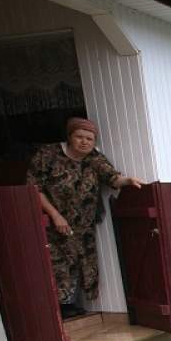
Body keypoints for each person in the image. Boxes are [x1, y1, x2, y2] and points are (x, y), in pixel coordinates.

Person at [28, 117, 144, 318]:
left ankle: (71, 304)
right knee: (59, 263)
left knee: (84, 262)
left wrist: (128, 180)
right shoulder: (48, 154)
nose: (84, 142)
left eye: (89, 139)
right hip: (56, 222)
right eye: (79, 137)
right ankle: (60, 308)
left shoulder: (94, 158)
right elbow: (34, 188)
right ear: (69, 137)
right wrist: (55, 216)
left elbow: (112, 177)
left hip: (84, 223)